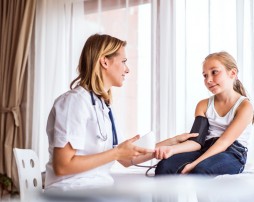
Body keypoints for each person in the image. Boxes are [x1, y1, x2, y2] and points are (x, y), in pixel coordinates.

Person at [45, 33, 197, 191]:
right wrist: (117, 152)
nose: (127, 69)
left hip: (95, 190)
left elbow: (126, 159)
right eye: (123, 61)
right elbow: (63, 166)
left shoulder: (103, 106)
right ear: (104, 61)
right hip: (70, 192)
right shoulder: (74, 102)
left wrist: (172, 142)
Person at [154, 51, 254, 175]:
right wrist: (172, 149)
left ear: (233, 73)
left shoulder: (244, 106)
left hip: (232, 153)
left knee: (201, 170)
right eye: (205, 75)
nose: (208, 80)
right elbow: (197, 142)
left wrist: (194, 164)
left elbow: (224, 142)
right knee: (164, 166)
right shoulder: (203, 105)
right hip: (205, 148)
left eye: (214, 72)